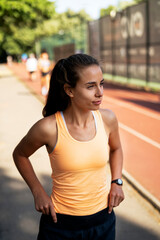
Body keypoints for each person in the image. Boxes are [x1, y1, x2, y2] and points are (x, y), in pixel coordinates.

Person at [13, 53, 124, 240]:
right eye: (91, 86)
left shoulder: (108, 119)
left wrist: (117, 181)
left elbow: (116, 148)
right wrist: (38, 192)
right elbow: (20, 154)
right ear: (69, 90)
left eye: (101, 83)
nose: (100, 92)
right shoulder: (48, 128)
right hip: (61, 226)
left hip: (103, 221)